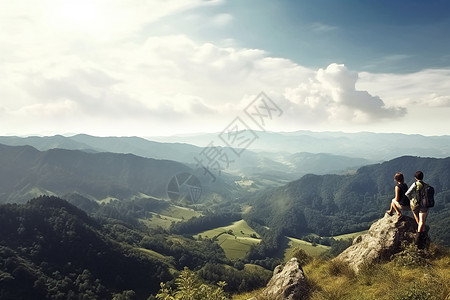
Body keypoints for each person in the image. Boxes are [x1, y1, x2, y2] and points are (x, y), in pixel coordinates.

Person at [405, 170, 428, 249]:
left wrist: (412, 199)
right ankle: (424, 237)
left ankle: (417, 241)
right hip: (424, 205)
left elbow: (407, 193)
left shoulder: (415, 184)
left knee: (418, 220)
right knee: (423, 221)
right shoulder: (426, 185)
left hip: (415, 205)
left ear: (415, 177)